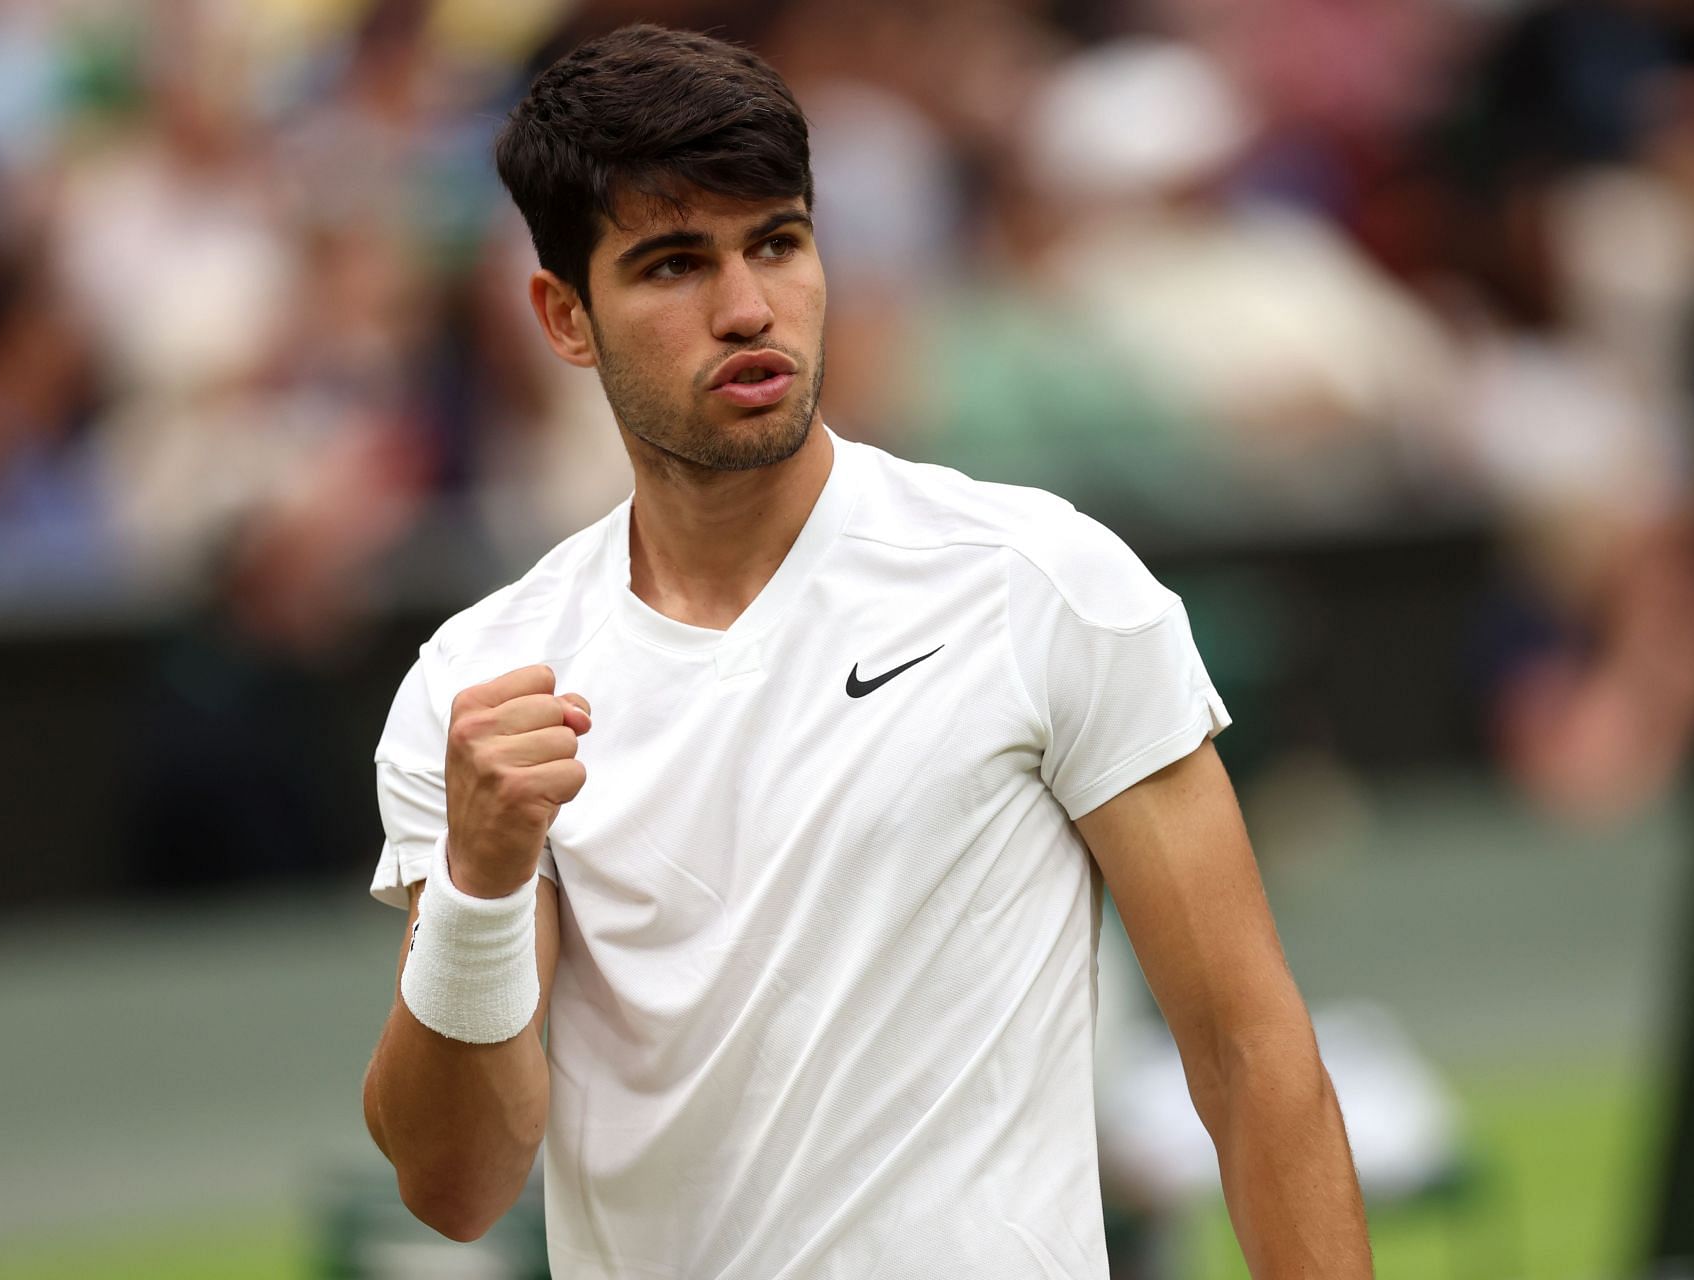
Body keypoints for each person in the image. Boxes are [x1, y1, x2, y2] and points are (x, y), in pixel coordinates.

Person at [361, 23, 1372, 1278]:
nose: (746, 308)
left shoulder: (1040, 582)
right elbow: (456, 1186)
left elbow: (1250, 1054)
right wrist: (478, 879)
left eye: (777, 243)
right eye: (674, 264)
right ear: (566, 317)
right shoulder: (487, 678)